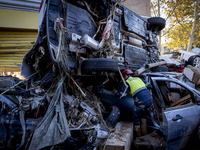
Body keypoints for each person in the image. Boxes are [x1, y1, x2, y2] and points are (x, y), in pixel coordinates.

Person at [113, 69, 153, 137]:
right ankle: (144, 134)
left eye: (123, 77)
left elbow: (122, 95)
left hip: (141, 101)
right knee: (144, 117)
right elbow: (149, 86)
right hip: (149, 99)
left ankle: (138, 135)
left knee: (136, 118)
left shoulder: (126, 82)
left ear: (125, 76)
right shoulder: (138, 78)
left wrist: (116, 93)